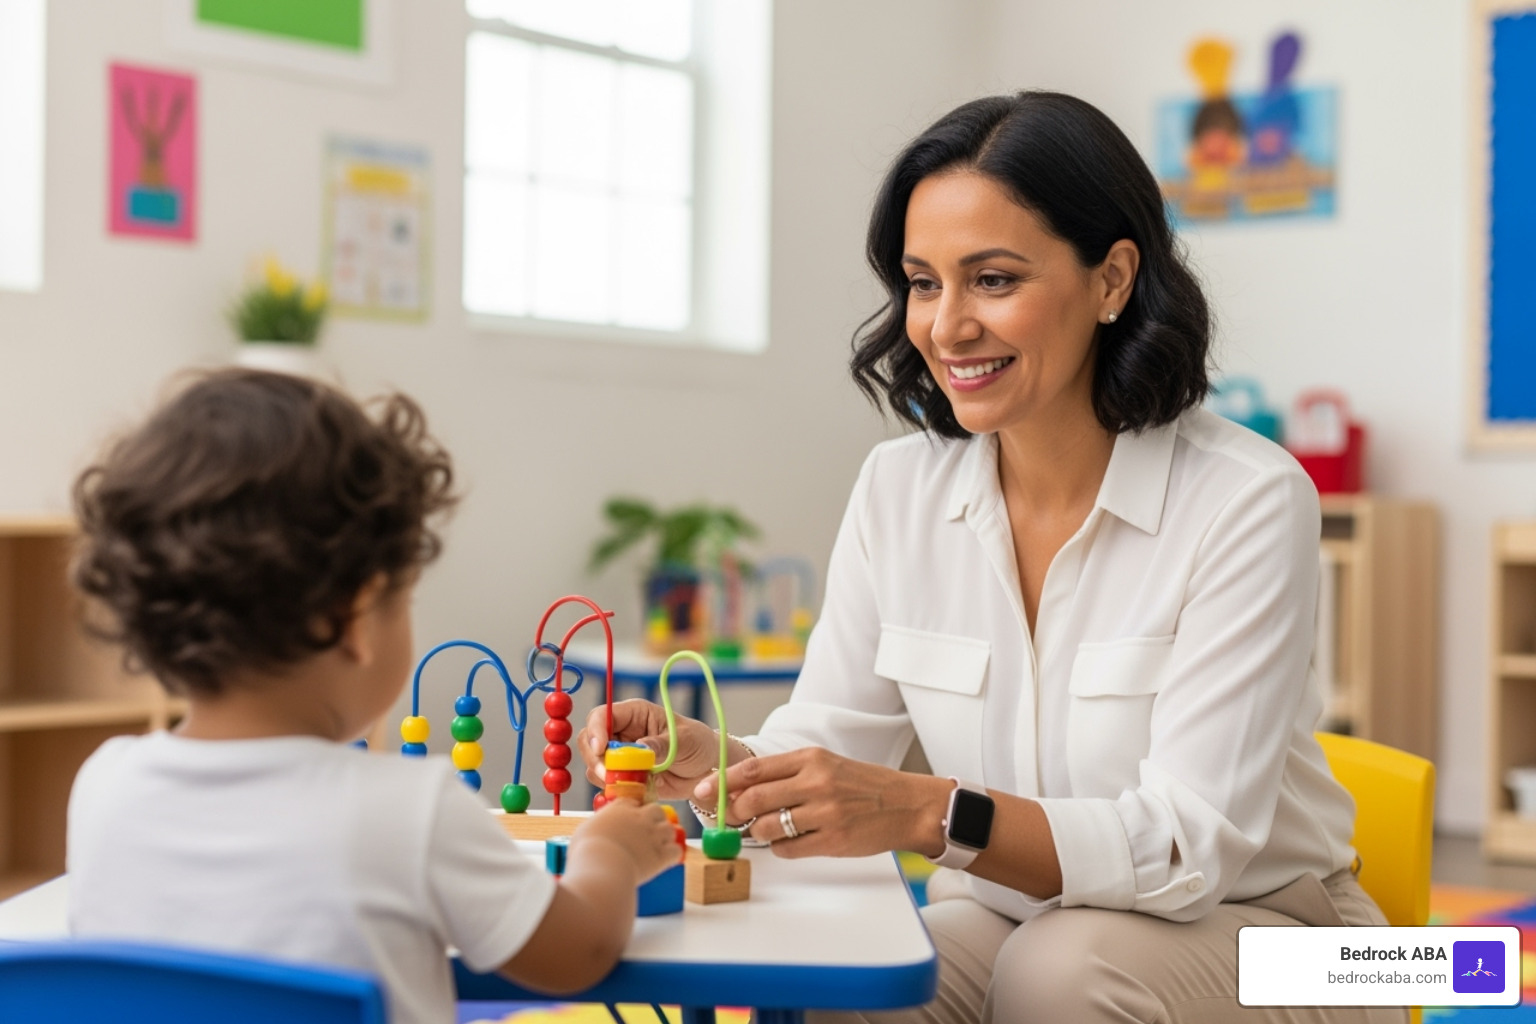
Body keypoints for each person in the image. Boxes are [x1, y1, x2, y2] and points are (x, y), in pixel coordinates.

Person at [578, 92, 1402, 1023]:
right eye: (924, 282)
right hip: (1021, 919)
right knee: (852, 979)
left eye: (994, 279)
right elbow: (834, 750)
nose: (947, 326)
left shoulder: (1248, 496)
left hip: (1307, 942)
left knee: (1060, 972)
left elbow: (1185, 849)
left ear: (1113, 279)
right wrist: (720, 766)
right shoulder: (899, 489)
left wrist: (930, 813)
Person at [66, 369, 681, 1024]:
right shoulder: (410, 811)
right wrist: (609, 851)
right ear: (357, 620)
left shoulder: (103, 788)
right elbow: (576, 951)